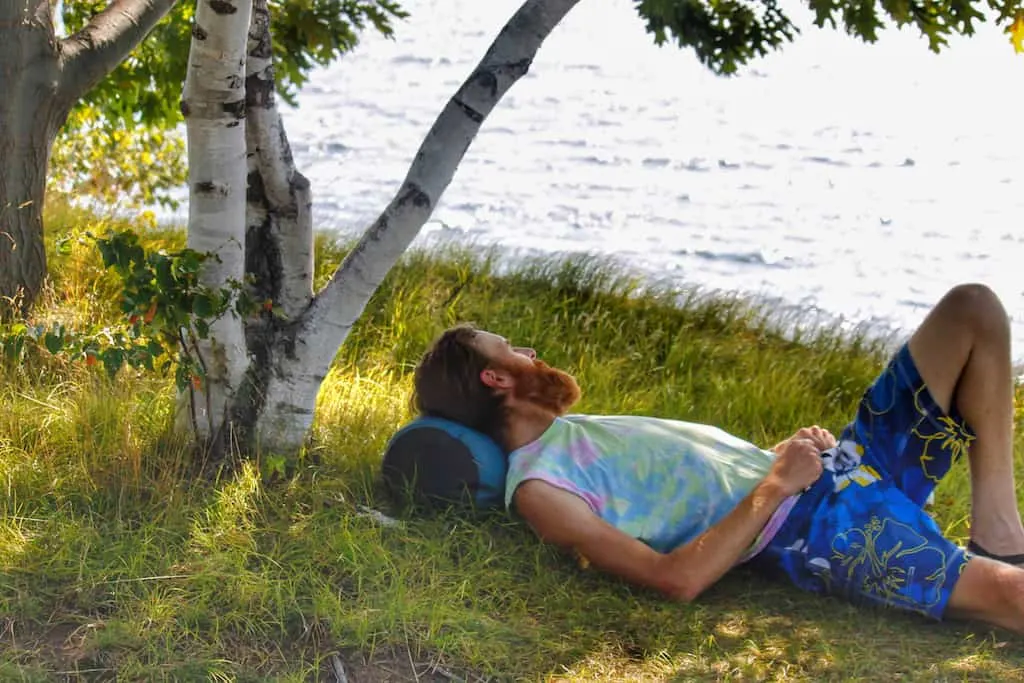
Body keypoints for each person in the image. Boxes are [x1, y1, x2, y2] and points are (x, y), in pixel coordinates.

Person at [411, 283, 1024, 633]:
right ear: (495, 378)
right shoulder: (540, 487)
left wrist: (786, 457)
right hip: (820, 532)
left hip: (836, 470)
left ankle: (999, 532)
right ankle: (999, 567)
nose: (529, 348)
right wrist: (778, 486)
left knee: (972, 311)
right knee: (1013, 598)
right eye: (509, 347)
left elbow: (714, 480)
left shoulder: (576, 434)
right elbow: (674, 578)